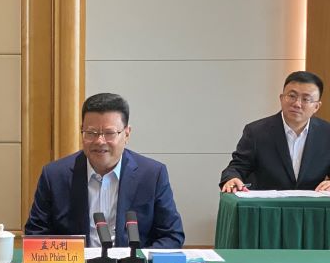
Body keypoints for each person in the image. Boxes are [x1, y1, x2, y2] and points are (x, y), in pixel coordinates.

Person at [25, 93, 184, 248]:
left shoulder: (152, 175)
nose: (100, 141)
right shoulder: (54, 175)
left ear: (127, 134)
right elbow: (36, 234)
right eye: (91, 133)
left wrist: (139, 260)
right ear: (81, 131)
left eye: (109, 133)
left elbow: (171, 235)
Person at [220, 71, 330, 192]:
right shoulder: (256, 132)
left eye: (306, 99)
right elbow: (237, 167)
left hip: (312, 203)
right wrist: (232, 178)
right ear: (281, 98)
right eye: (292, 96)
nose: (297, 104)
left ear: (316, 106)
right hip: (267, 203)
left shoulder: (326, 134)